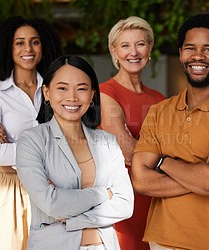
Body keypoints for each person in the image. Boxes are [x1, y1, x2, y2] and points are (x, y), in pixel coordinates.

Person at [131, 13, 209, 250]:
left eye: (208, 49)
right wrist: (203, 172)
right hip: (163, 242)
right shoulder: (160, 112)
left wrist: (163, 161)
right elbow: (140, 180)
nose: (198, 56)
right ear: (180, 53)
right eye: (190, 48)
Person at [15, 55, 134, 250]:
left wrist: (72, 220)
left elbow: (125, 205)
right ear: (46, 92)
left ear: (92, 94)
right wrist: (104, 193)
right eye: (62, 88)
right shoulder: (32, 140)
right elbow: (52, 204)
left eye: (82, 89)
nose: (72, 97)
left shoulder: (107, 142)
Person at [0, 16, 62, 250]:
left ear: (43, 46)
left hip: (51, 189)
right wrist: (44, 147)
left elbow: (69, 141)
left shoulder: (56, 89)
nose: (28, 48)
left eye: (35, 42)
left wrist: (15, 145)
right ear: (9, 48)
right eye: (19, 42)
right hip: (9, 191)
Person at [99, 16, 165, 250]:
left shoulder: (159, 99)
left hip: (157, 199)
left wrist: (146, 151)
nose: (133, 52)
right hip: (123, 198)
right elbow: (125, 147)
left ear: (149, 48)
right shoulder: (106, 92)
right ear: (114, 51)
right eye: (125, 45)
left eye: (140, 44)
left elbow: (176, 148)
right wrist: (163, 156)